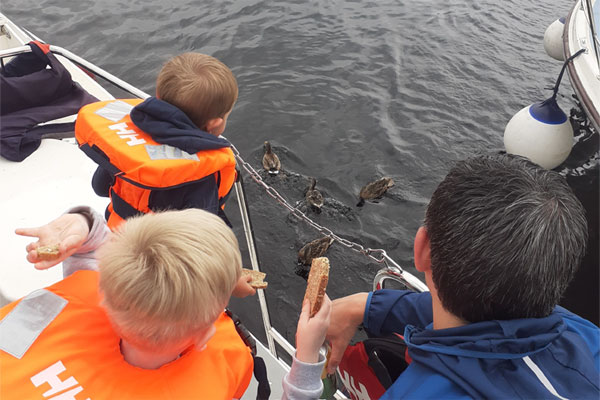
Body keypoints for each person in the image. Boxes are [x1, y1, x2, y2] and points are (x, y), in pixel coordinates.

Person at [325, 154, 600, 399]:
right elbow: (491, 322)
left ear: (421, 249)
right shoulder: (584, 335)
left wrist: (304, 365)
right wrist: (366, 306)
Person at [0, 207, 332, 399]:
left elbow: (88, 263)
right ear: (205, 335)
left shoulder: (41, 317)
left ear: (104, 293)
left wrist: (82, 222)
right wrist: (306, 357)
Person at [75, 52, 239, 230]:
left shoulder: (129, 150)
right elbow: (200, 235)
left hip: (118, 240)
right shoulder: (200, 176)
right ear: (214, 124)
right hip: (157, 255)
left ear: (158, 97)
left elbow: (99, 187)